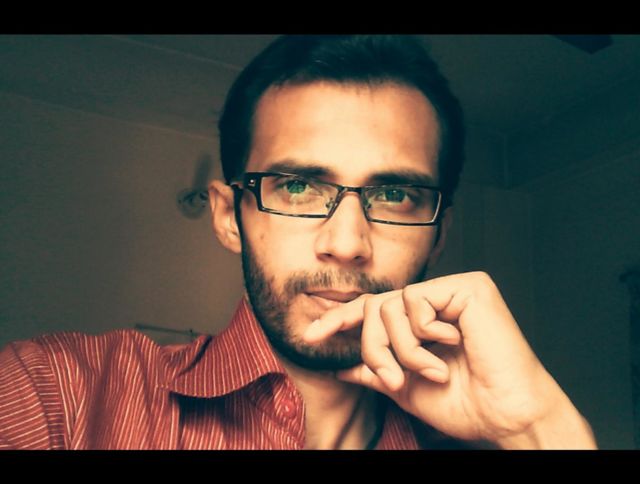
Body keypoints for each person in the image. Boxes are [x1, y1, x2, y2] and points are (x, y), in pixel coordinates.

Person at [0, 35, 597, 450]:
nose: (347, 243)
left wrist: (536, 428)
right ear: (228, 216)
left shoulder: (483, 439)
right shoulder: (58, 396)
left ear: (437, 236)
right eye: (297, 186)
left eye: (394, 195)